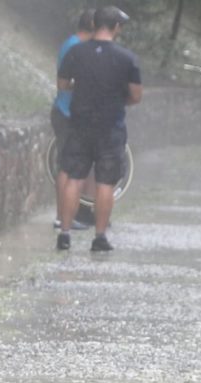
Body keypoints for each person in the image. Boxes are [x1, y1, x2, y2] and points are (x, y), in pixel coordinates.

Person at [55, 5, 142, 252]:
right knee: (106, 182)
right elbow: (136, 95)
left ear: (95, 25)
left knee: (74, 176)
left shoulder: (77, 52)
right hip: (110, 127)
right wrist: (117, 98)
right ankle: (99, 237)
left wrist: (82, 90)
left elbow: (62, 83)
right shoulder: (126, 59)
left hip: (80, 124)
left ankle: (64, 233)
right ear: (115, 27)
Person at [50, 9, 95, 231]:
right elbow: (64, 82)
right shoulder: (74, 46)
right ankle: (61, 218)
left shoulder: (76, 44)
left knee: (74, 166)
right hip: (66, 113)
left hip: (73, 114)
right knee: (66, 167)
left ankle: (73, 213)